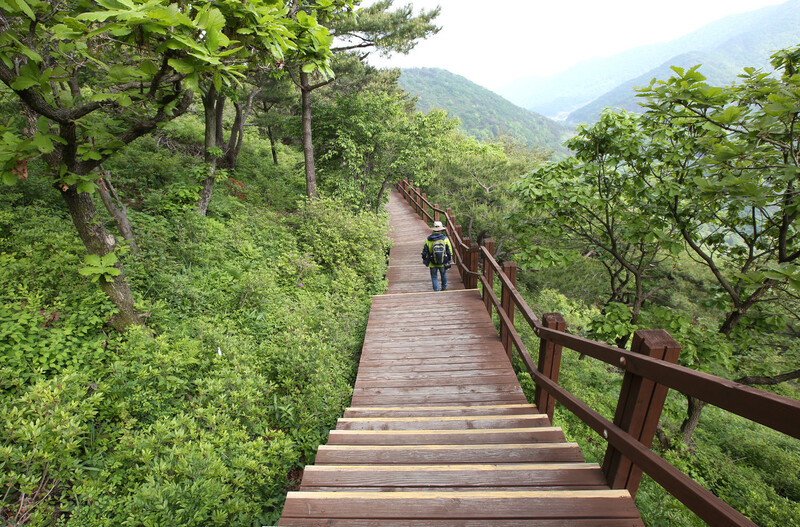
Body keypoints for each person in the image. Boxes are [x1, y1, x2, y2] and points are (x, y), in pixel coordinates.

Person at [421, 220, 453, 291]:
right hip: (443, 261)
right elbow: (449, 250)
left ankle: (436, 290)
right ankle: (444, 287)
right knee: (443, 274)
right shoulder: (445, 239)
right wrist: (449, 259)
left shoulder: (429, 239)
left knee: (434, 276)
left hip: (432, 261)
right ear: (441, 230)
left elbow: (424, 250)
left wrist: (424, 259)